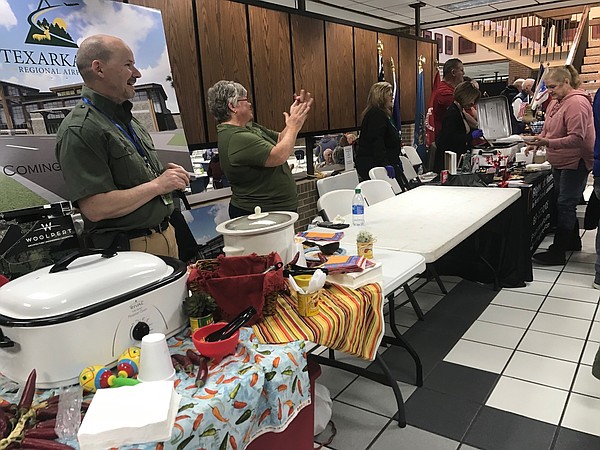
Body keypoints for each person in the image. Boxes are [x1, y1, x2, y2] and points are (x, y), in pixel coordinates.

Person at [55, 35, 190, 258]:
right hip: (130, 250)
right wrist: (158, 185)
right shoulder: (80, 129)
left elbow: (135, 182)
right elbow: (96, 208)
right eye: (128, 65)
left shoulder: (128, 120)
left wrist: (164, 177)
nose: (137, 74)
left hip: (164, 236)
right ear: (99, 69)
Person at [207, 80, 313, 219]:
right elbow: (278, 156)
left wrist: (295, 118)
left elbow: (280, 139)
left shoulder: (249, 127)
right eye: (245, 100)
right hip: (259, 214)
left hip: (273, 211)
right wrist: (294, 126)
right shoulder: (236, 137)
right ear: (232, 106)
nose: (250, 103)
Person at [526, 65, 594, 265]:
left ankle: (558, 252)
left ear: (566, 82)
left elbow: (577, 138)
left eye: (553, 87)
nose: (550, 91)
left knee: (565, 204)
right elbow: (550, 130)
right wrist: (537, 140)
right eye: (547, 87)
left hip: (575, 161)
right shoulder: (558, 102)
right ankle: (572, 242)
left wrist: (547, 143)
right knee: (562, 202)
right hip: (561, 160)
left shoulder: (576, 104)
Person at [354, 81, 406, 189]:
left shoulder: (384, 114)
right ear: (381, 96)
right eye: (390, 95)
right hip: (375, 163)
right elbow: (377, 141)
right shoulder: (376, 115)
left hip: (387, 161)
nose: (392, 97)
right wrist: (384, 163)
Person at [433, 81, 482, 174]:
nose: (472, 103)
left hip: (456, 159)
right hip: (447, 163)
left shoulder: (459, 111)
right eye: (471, 100)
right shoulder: (452, 114)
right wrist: (470, 136)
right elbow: (449, 138)